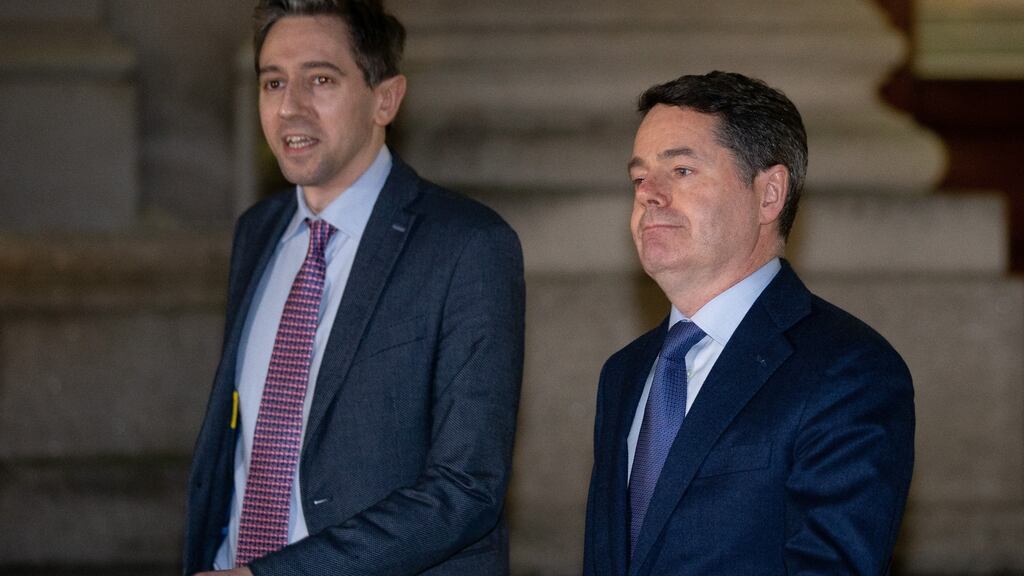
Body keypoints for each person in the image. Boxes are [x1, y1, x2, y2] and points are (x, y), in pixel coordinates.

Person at [183, 1, 524, 574]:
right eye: (273, 82)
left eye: (320, 79)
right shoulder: (257, 233)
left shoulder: (468, 245)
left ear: (385, 99)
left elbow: (466, 488)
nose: (289, 107)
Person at [583, 71, 915, 575]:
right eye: (639, 177)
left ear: (768, 195)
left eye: (683, 171)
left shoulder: (848, 371)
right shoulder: (624, 373)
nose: (648, 193)